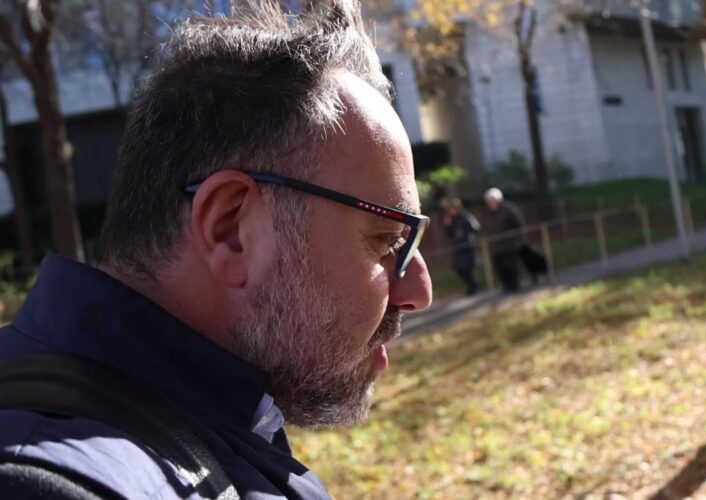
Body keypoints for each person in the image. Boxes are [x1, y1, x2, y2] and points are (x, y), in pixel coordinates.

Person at [0, 1, 432, 498]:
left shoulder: (220, 422)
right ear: (230, 229)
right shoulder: (49, 485)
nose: (418, 291)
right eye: (386, 239)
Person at [483, 187, 524, 292]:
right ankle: (506, 285)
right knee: (499, 266)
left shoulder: (508, 210)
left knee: (511, 265)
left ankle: (515, 284)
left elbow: (517, 224)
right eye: (490, 201)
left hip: (509, 243)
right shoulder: (487, 214)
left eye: (493, 200)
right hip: (496, 245)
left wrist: (517, 237)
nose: (492, 203)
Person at [442, 198, 480, 296]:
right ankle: (473, 285)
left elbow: (475, 228)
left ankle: (473, 287)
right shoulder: (452, 220)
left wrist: (466, 234)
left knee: (468, 269)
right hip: (458, 248)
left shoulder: (466, 216)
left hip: (467, 247)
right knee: (459, 269)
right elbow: (449, 234)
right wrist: (448, 224)